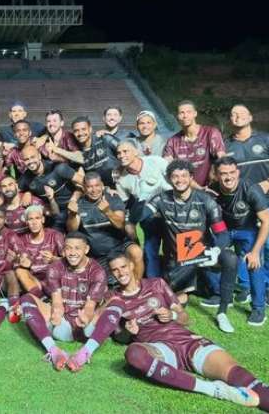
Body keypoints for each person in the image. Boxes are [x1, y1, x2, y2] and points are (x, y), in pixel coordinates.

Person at [92, 253, 269, 414]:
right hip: (160, 349)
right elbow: (119, 336)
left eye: (123, 267)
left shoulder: (157, 284)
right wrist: (129, 331)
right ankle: (211, 389)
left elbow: (184, 317)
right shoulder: (114, 300)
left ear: (132, 266)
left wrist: (170, 315)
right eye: (115, 270)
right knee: (134, 354)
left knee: (242, 376)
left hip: (186, 341)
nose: (120, 273)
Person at [137, 160, 238, 333]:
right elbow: (140, 216)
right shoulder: (161, 198)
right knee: (173, 297)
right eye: (175, 176)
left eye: (184, 176)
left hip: (202, 254)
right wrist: (141, 201)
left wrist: (215, 250)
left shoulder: (206, 200)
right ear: (169, 179)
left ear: (191, 177)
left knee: (230, 258)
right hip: (178, 260)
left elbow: (222, 233)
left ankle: (222, 313)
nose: (180, 180)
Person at [18, 232, 109, 372]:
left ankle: (85, 352)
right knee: (25, 299)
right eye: (68, 248)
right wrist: (56, 313)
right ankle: (53, 351)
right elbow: (57, 300)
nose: (72, 253)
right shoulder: (55, 267)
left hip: (86, 328)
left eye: (77, 248)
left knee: (117, 302)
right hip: (62, 326)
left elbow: (90, 307)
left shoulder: (98, 271)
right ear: (63, 250)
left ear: (86, 249)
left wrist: (86, 317)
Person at [226, 104, 269, 307]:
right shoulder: (226, 146)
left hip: (268, 201)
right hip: (241, 206)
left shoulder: (267, 139)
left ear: (250, 117)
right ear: (230, 120)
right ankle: (245, 286)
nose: (237, 117)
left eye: (241, 113)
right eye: (233, 114)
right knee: (244, 248)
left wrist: (267, 183)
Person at [210, 157, 269, 326]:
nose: (228, 177)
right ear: (216, 175)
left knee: (254, 264)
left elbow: (266, 221)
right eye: (223, 174)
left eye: (232, 173)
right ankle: (222, 295)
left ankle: (259, 308)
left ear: (238, 172)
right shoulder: (212, 190)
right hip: (224, 231)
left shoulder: (251, 189)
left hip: (247, 230)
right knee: (209, 256)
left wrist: (255, 251)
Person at [66, 172, 144, 280]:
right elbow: (71, 230)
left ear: (102, 185)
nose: (94, 190)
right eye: (89, 187)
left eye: (97, 186)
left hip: (120, 247)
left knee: (136, 251)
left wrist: (108, 211)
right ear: (84, 188)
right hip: (97, 255)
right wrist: (72, 215)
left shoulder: (113, 198)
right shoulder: (79, 204)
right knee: (103, 283)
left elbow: (120, 224)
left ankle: (137, 286)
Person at [114, 140, 170, 278]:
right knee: (150, 250)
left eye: (125, 151)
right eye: (119, 153)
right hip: (148, 216)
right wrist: (129, 223)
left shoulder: (156, 161)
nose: (121, 155)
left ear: (136, 152)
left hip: (172, 212)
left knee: (174, 249)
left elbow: (177, 179)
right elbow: (126, 204)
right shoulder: (121, 178)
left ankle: (178, 283)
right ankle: (153, 282)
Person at [163, 100, 226, 188]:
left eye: (189, 112)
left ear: (195, 113)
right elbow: (166, 166)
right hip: (186, 190)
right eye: (181, 113)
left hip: (212, 188)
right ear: (177, 116)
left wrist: (214, 173)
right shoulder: (172, 141)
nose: (185, 116)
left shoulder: (211, 132)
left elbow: (222, 158)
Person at [18, 145, 84, 229]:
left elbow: (85, 182)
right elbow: (12, 191)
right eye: (26, 159)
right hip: (55, 214)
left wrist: (75, 199)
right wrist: (27, 193)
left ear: (39, 156)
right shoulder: (25, 178)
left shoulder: (57, 168)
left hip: (77, 205)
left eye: (32, 157)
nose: (30, 161)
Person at [13, 205, 64, 297]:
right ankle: (39, 297)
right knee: (19, 271)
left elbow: (69, 261)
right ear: (26, 222)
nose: (34, 222)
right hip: (33, 280)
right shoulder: (21, 240)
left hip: (53, 276)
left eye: (37, 218)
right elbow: (16, 263)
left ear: (43, 220)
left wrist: (53, 259)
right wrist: (21, 262)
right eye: (30, 219)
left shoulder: (55, 235)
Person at [69, 116, 120, 187]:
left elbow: (128, 152)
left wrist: (119, 185)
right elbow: (82, 180)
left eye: (83, 129)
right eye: (76, 131)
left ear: (90, 129)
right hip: (101, 191)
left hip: (122, 184)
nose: (80, 133)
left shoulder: (104, 138)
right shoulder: (77, 153)